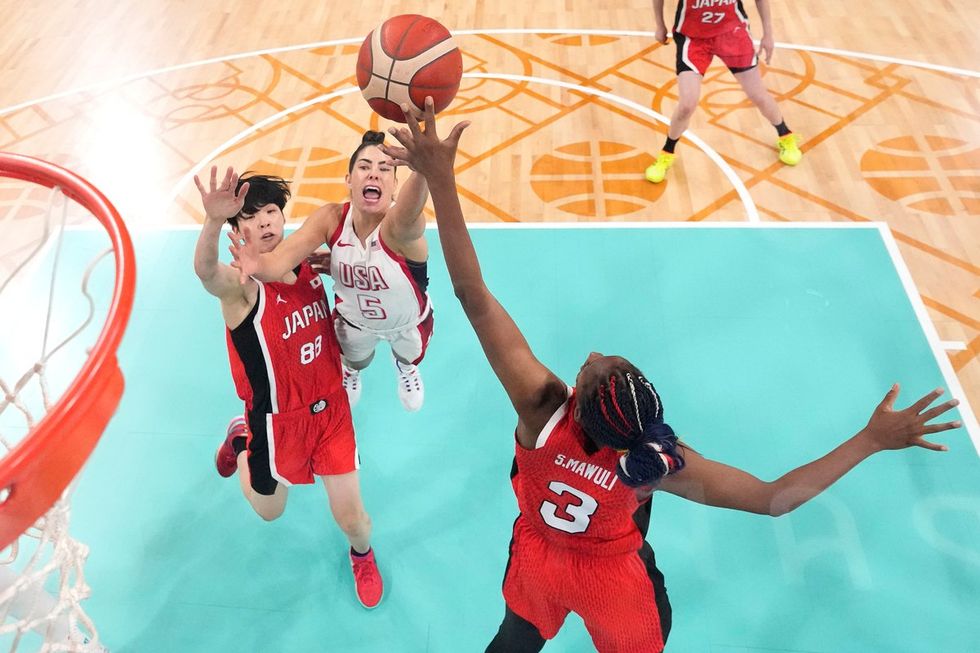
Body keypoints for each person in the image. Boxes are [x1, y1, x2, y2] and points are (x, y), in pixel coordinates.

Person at [382, 98, 962, 652]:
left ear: (576, 402)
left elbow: (473, 295)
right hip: (614, 585)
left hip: (538, 560)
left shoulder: (542, 408)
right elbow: (773, 499)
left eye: (590, 366)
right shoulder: (659, 463)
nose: (592, 352)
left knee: (514, 640)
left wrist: (442, 180)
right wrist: (871, 439)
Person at [192, 167, 383, 609]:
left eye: (272, 212)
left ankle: (362, 555)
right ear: (237, 227)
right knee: (270, 511)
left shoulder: (307, 261)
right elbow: (205, 272)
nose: (264, 222)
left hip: (332, 412)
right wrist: (212, 220)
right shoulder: (240, 288)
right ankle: (241, 439)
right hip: (277, 422)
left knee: (354, 520)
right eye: (251, 216)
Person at [229, 131, 433, 412]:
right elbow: (279, 261)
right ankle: (351, 371)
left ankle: (405, 368)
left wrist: (421, 172)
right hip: (355, 321)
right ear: (349, 180)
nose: (374, 174)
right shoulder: (331, 219)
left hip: (407, 323)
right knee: (356, 360)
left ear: (395, 185)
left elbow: (411, 214)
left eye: (385, 169)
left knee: (409, 356)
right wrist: (259, 265)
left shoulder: (400, 226)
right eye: (364, 167)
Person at [645, 0, 803, 183]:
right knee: (687, 105)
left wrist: (768, 34)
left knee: (758, 94)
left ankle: (786, 136)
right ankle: (666, 153)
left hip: (732, 34)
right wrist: (660, 25)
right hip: (693, 39)